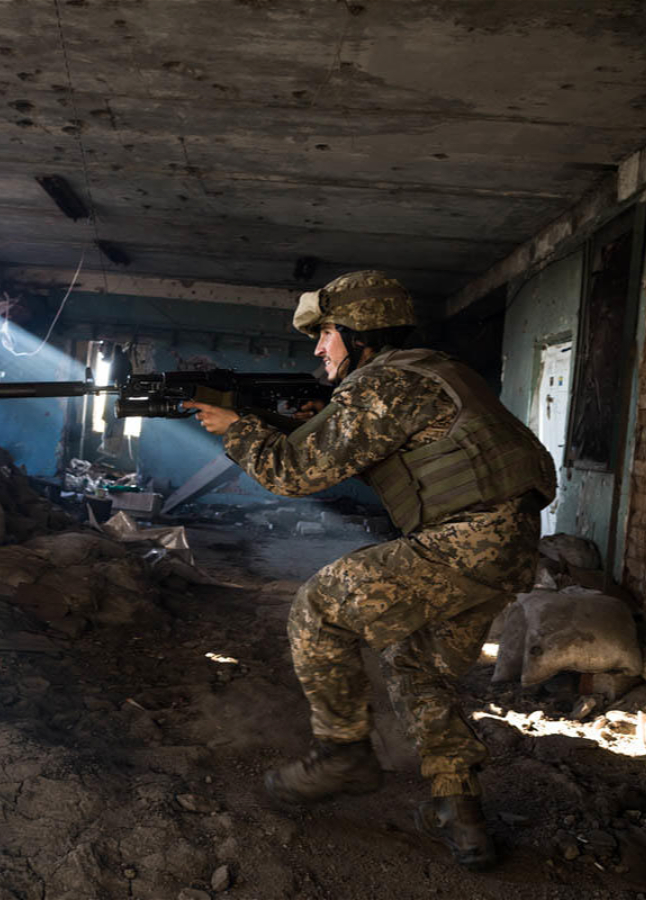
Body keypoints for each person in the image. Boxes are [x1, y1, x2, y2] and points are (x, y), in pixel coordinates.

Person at [183, 270, 555, 871]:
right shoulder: (435, 372)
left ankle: (343, 753)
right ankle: (459, 812)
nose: (317, 348)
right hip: (506, 548)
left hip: (465, 540)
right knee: (418, 667)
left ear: (358, 333)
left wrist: (239, 429)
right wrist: (300, 421)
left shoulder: (383, 386)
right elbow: (370, 454)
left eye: (325, 333)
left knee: (320, 606)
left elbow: (293, 475)